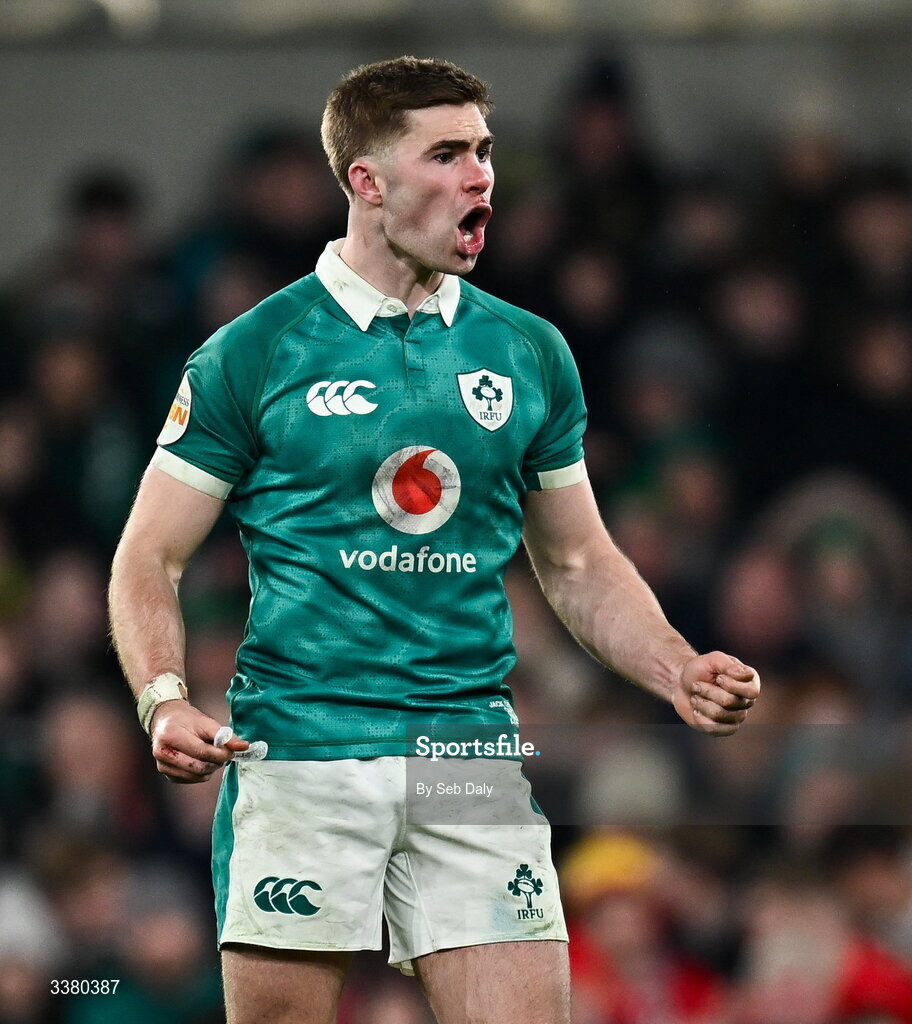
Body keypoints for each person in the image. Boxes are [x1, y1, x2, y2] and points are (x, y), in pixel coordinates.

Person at [108, 56, 760, 1024]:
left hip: (467, 753)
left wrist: (673, 665)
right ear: (366, 182)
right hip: (302, 751)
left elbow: (577, 560)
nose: (480, 176)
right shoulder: (255, 350)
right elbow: (146, 558)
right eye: (447, 153)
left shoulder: (527, 349)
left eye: (484, 152)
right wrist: (163, 698)